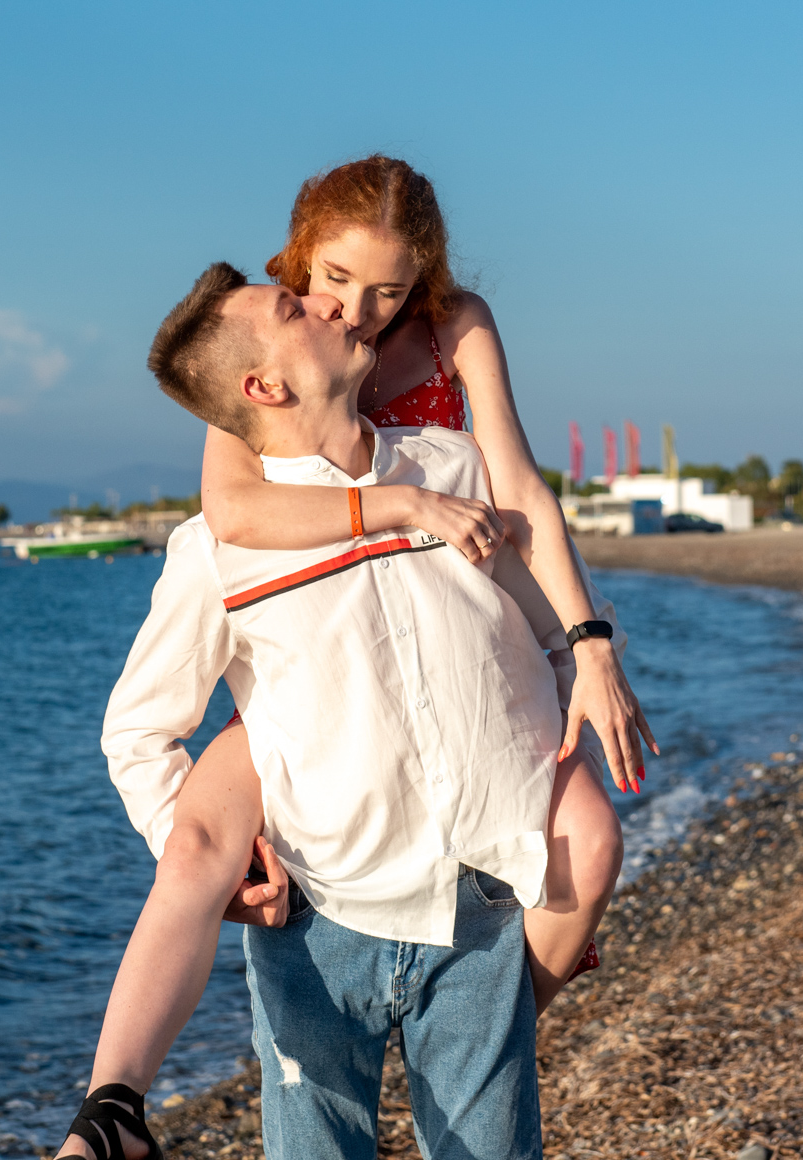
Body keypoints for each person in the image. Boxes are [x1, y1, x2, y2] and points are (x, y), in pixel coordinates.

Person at [30, 263, 563, 1160]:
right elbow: (138, 731)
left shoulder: (451, 467)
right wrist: (211, 861)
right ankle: (111, 1115)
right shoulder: (220, 551)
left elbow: (546, 636)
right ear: (264, 388)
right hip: (316, 928)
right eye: (295, 309)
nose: (328, 303)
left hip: (477, 913)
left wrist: (572, 747)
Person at [195, 156, 651, 1008]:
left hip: (468, 629)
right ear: (302, 250)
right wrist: (402, 507)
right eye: (334, 277)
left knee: (588, 846)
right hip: (326, 647)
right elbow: (231, 508)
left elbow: (519, 489)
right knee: (216, 851)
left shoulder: (456, 326)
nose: (355, 312)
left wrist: (592, 650)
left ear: (423, 281)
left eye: (388, 291)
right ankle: (123, 1097)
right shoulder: (259, 336)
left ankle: (482, 1043)